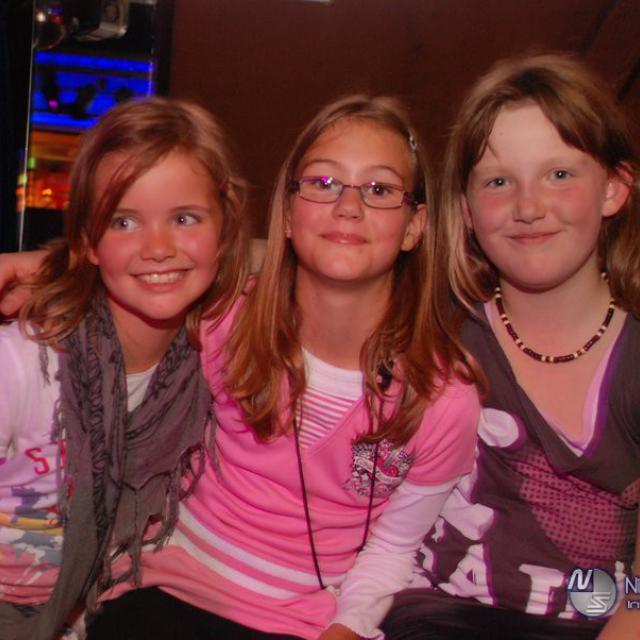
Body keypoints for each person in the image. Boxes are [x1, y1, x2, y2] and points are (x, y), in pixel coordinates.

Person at [65, 94, 479, 640]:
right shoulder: (222, 321)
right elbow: (133, 272)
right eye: (323, 182)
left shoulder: (443, 398)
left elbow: (394, 548)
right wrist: (47, 269)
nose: (348, 206)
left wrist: (348, 628)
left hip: (304, 622)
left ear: (414, 226)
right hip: (161, 590)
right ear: (287, 213)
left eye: (379, 189)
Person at [382, 54, 640, 640]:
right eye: (499, 182)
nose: (528, 207)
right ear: (467, 211)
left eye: (559, 174)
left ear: (614, 189)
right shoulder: (435, 333)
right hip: (435, 617)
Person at [0, 97, 248, 640]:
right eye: (124, 221)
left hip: (82, 614)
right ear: (88, 241)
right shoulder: (22, 364)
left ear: (225, 229)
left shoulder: (214, 357)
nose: (158, 248)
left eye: (184, 218)